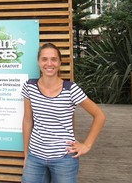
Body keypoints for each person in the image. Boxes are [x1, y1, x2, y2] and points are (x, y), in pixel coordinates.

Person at [21, 42, 106, 183]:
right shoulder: (29, 87)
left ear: (60, 62)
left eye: (54, 59)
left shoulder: (71, 89)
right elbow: (27, 120)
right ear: (38, 62)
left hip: (64, 159)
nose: (49, 63)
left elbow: (99, 116)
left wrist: (86, 145)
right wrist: (26, 155)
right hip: (35, 157)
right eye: (44, 59)